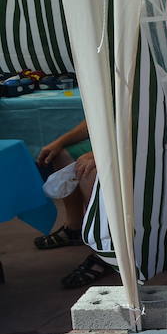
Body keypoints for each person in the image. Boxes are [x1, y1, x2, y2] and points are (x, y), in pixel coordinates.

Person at [35, 120, 114, 288]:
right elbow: (95, 118)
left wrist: (98, 154)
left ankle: (104, 252)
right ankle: (74, 229)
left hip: (136, 144)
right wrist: (60, 142)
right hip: (113, 142)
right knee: (61, 154)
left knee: (88, 169)